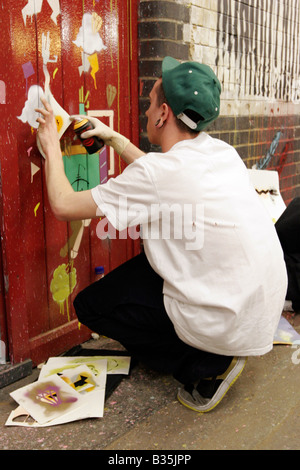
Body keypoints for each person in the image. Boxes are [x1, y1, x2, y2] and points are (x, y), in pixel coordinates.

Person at [36, 56, 287, 413]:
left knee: (90, 307)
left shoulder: (161, 172)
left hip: (230, 319)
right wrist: (113, 138)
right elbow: (162, 177)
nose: (146, 109)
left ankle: (205, 366)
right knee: (151, 266)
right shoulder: (220, 152)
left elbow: (62, 204)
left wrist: (50, 147)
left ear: (163, 114)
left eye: (150, 101)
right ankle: (212, 345)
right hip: (259, 305)